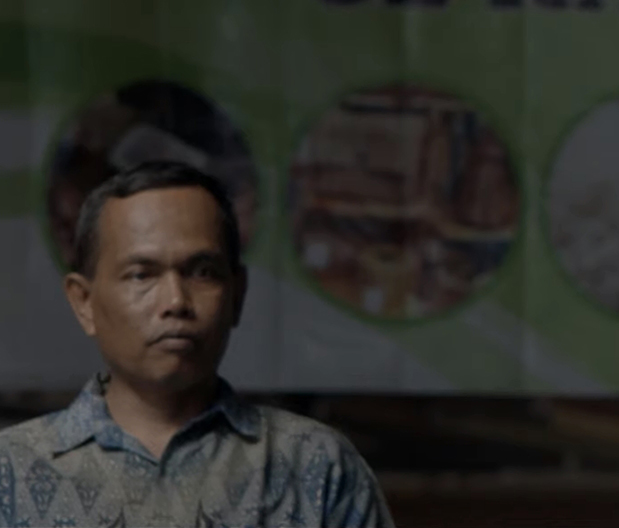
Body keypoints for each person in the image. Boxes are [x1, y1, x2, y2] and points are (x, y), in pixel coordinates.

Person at [0, 161, 394, 527]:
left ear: (237, 295)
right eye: (141, 275)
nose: (176, 301)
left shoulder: (316, 467)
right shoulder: (11, 471)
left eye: (203, 272)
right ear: (84, 302)